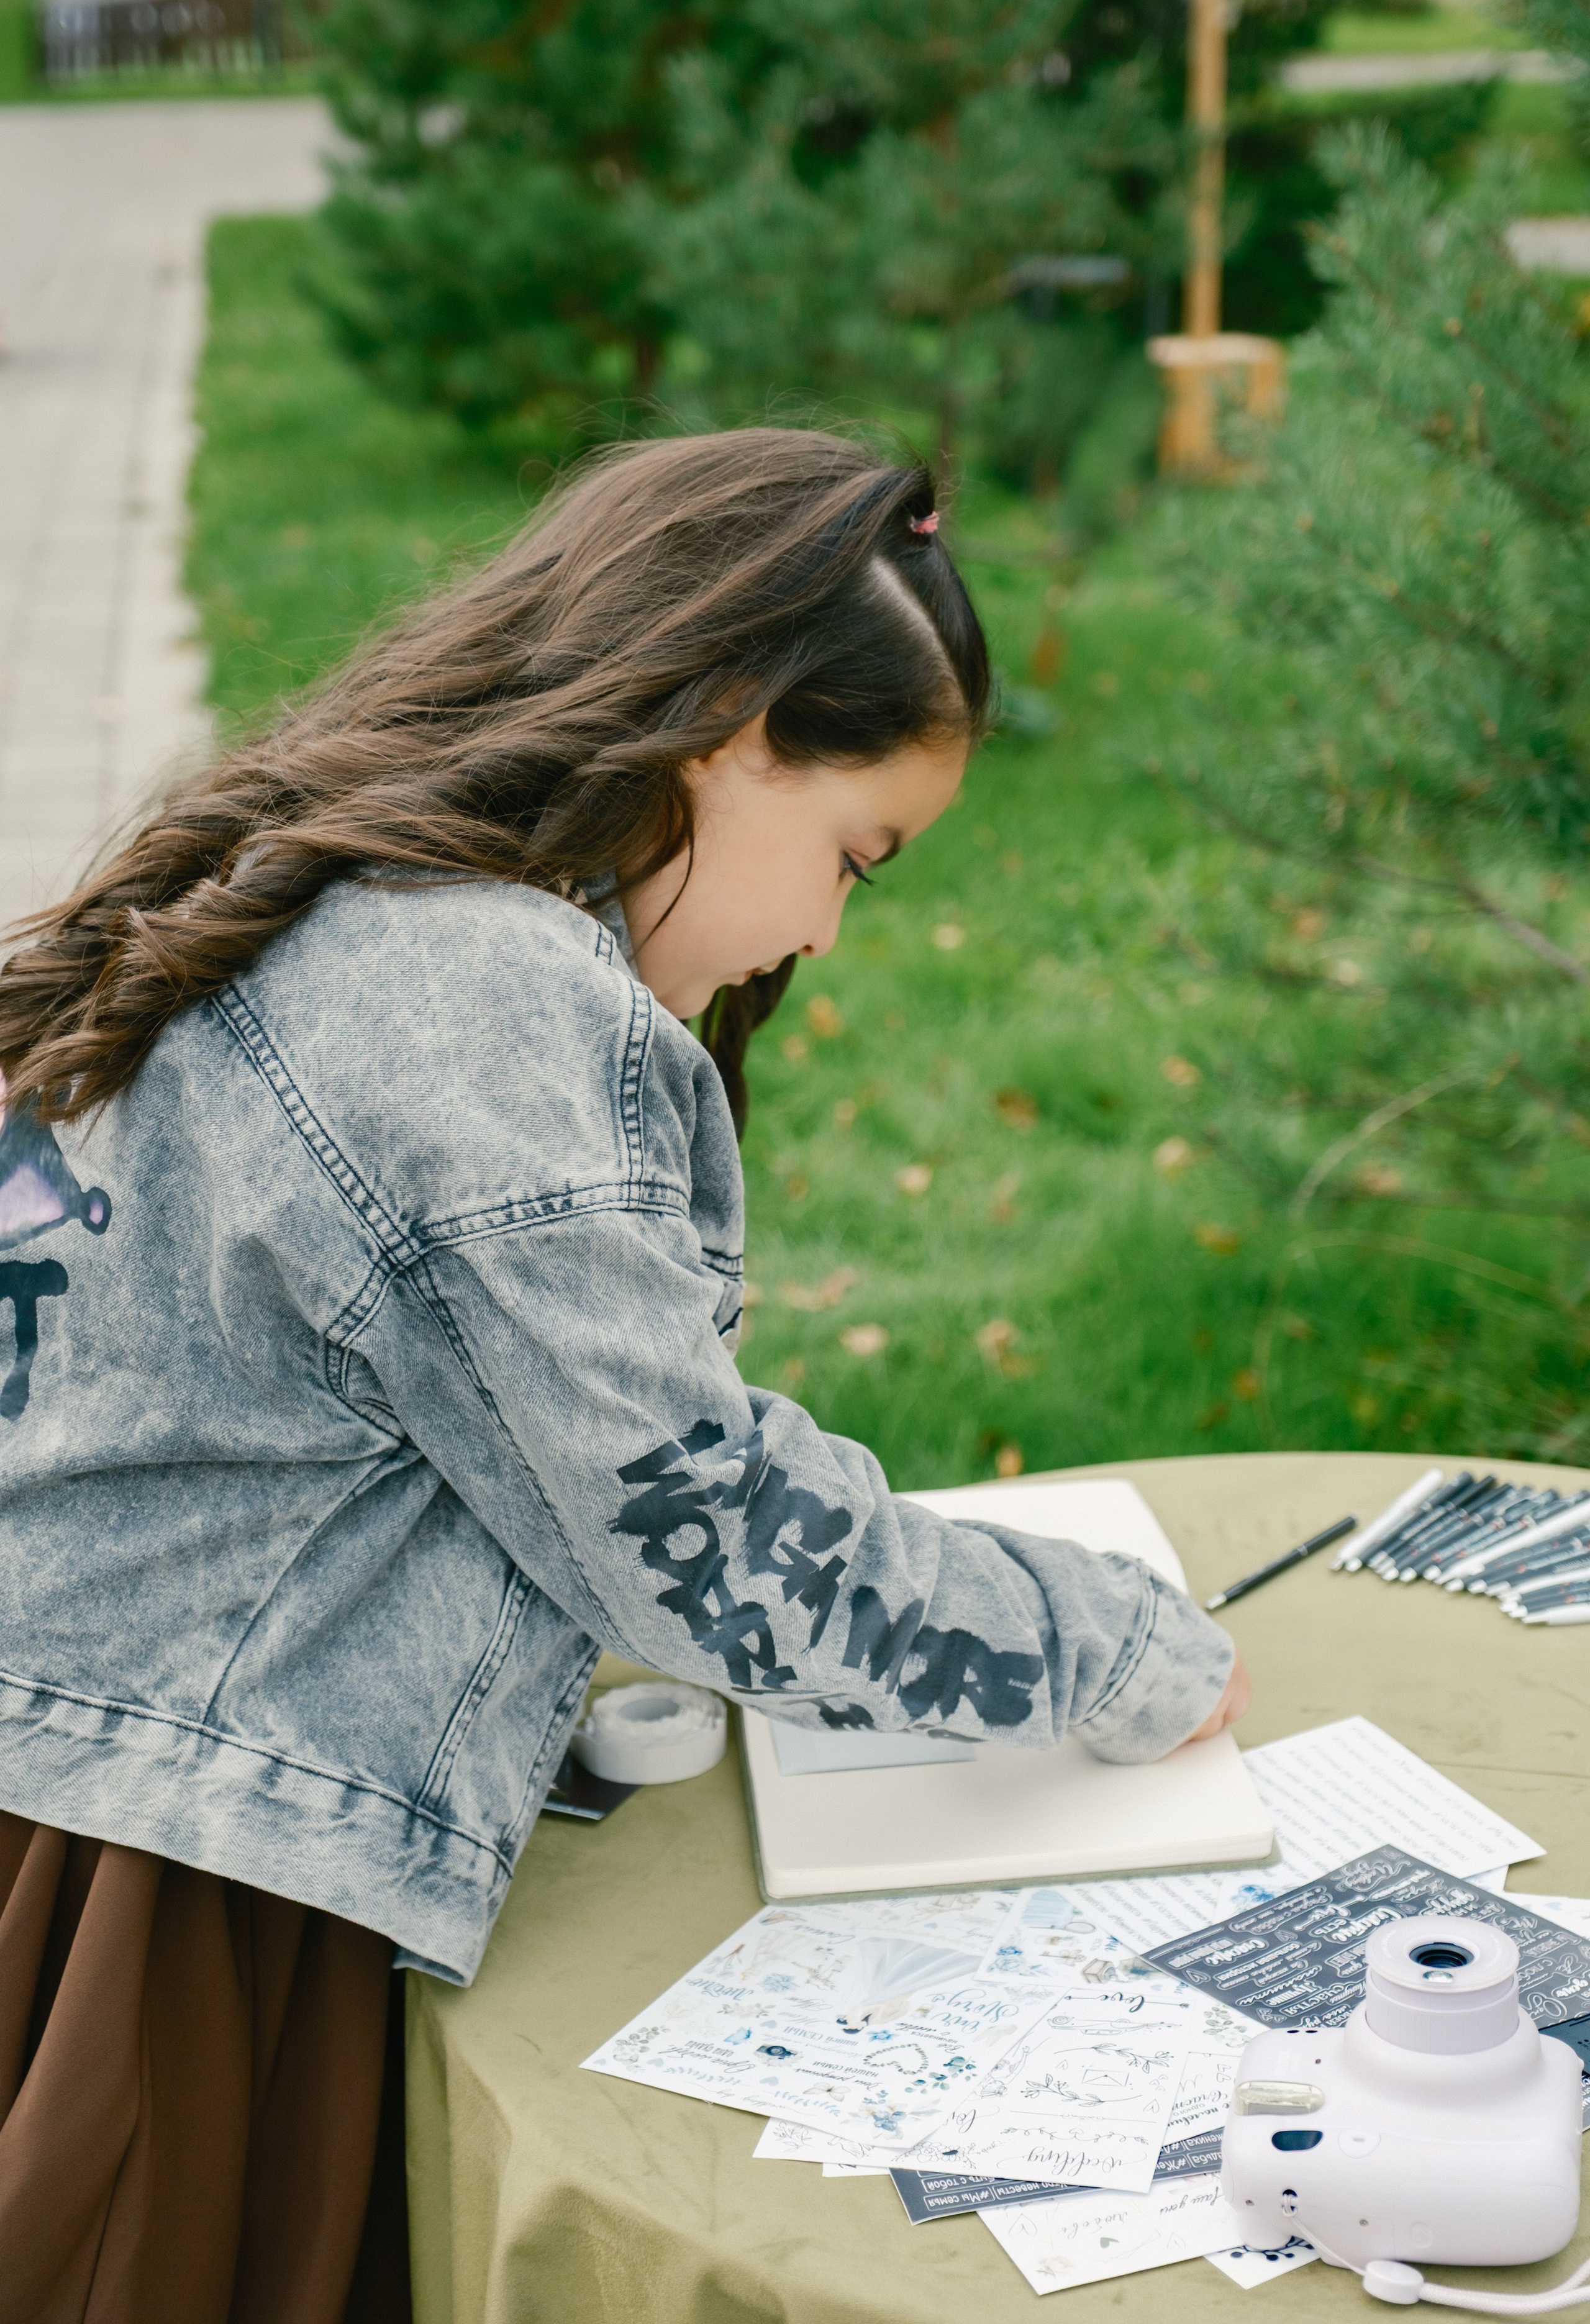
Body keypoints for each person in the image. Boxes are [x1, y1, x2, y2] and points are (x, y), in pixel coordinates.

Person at [0, 427, 1247, 2323]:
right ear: (732, 723)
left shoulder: (365, 885)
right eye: (854, 856)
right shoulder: (473, 1003)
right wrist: (1112, 1644)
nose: (827, 931)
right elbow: (710, 1542)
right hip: (166, 1876)